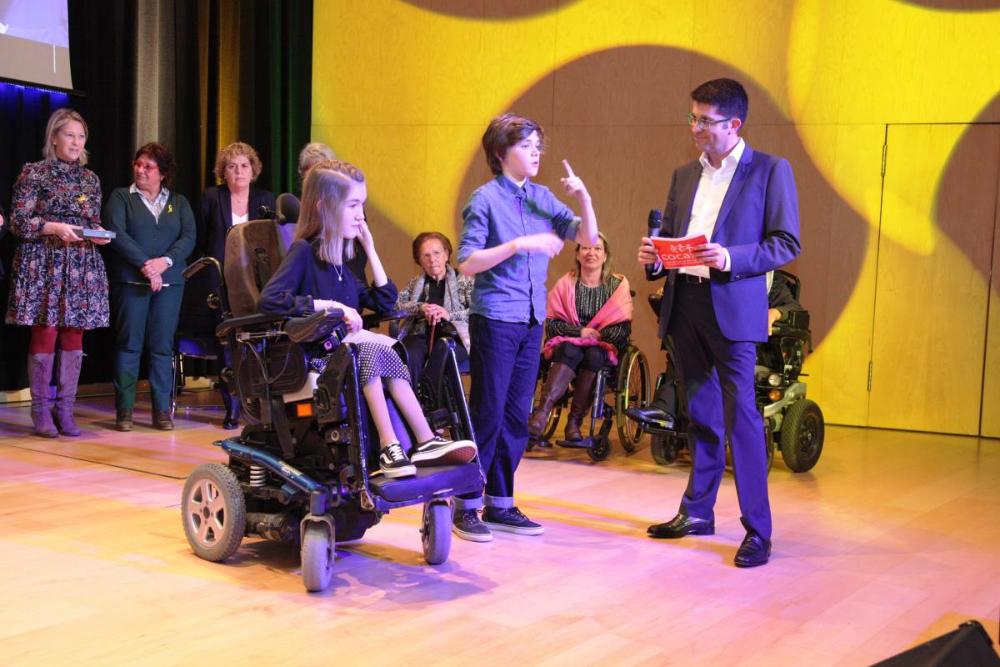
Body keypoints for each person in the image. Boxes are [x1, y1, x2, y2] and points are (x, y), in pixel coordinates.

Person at [637, 78, 801, 568]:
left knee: (743, 420)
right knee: (701, 415)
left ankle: (758, 530)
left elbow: (786, 243)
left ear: (734, 123)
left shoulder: (770, 171)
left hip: (731, 303)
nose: (695, 128)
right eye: (692, 118)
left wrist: (729, 256)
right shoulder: (683, 175)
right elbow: (668, 239)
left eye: (705, 120)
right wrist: (654, 257)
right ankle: (697, 512)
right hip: (683, 302)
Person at [259, 159, 477, 478]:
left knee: (381, 347)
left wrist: (371, 249)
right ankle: (390, 447)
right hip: (318, 355)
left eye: (361, 205)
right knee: (369, 349)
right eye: (352, 205)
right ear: (323, 207)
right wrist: (331, 306)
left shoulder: (341, 263)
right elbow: (270, 299)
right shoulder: (304, 252)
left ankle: (425, 440)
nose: (361, 215)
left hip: (348, 354)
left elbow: (385, 300)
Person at [453, 112, 598, 542]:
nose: (536, 152)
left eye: (539, 145)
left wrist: (585, 198)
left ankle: (500, 501)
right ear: (501, 153)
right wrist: (520, 244)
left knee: (517, 415)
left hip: (531, 318)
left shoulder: (542, 196)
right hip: (495, 315)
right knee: (489, 411)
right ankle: (466, 505)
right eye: (526, 145)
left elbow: (587, 239)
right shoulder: (485, 199)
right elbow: (466, 261)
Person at [5, 108, 112, 437]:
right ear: (54, 137)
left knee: (74, 334)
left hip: (80, 264)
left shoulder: (88, 180)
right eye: (70, 135)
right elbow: (18, 222)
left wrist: (99, 233)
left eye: (81, 137)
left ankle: (65, 409)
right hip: (44, 261)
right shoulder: (34, 174)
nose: (77, 142)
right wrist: (53, 226)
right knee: (46, 331)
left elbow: (89, 218)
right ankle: (41, 411)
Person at [628, 270, 802, 428]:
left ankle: (667, 407)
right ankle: (667, 408)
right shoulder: (714, 273)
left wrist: (774, 313)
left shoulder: (771, 279)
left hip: (743, 341)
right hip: (711, 333)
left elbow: (792, 307)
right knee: (679, 342)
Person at [103, 143, 197, 431]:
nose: (141, 170)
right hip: (132, 282)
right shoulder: (121, 197)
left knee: (162, 347)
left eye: (149, 167)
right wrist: (146, 265)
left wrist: (164, 262)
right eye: (138, 164)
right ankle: (125, 412)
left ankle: (162, 412)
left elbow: (188, 237)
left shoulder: (178, 202)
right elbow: (117, 233)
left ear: (163, 173)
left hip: (170, 283)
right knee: (129, 345)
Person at [528, 232, 632, 442]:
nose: (591, 253)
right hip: (569, 344)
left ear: (605, 256)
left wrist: (597, 336)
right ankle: (542, 413)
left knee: (594, 355)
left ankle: (574, 422)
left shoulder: (617, 285)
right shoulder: (566, 284)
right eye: (585, 248)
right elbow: (554, 324)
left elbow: (622, 328)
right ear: (577, 254)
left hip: (601, 346)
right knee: (569, 350)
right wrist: (580, 333)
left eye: (597, 249)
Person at [395, 231, 473, 385]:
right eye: (426, 255)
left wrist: (449, 315)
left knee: (443, 355)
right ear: (419, 261)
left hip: (455, 336)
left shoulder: (464, 281)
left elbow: (477, 312)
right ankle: (412, 405)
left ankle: (436, 404)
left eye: (436, 253)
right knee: (408, 354)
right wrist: (421, 307)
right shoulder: (415, 283)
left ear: (446, 254)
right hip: (420, 335)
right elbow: (397, 306)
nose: (432, 260)